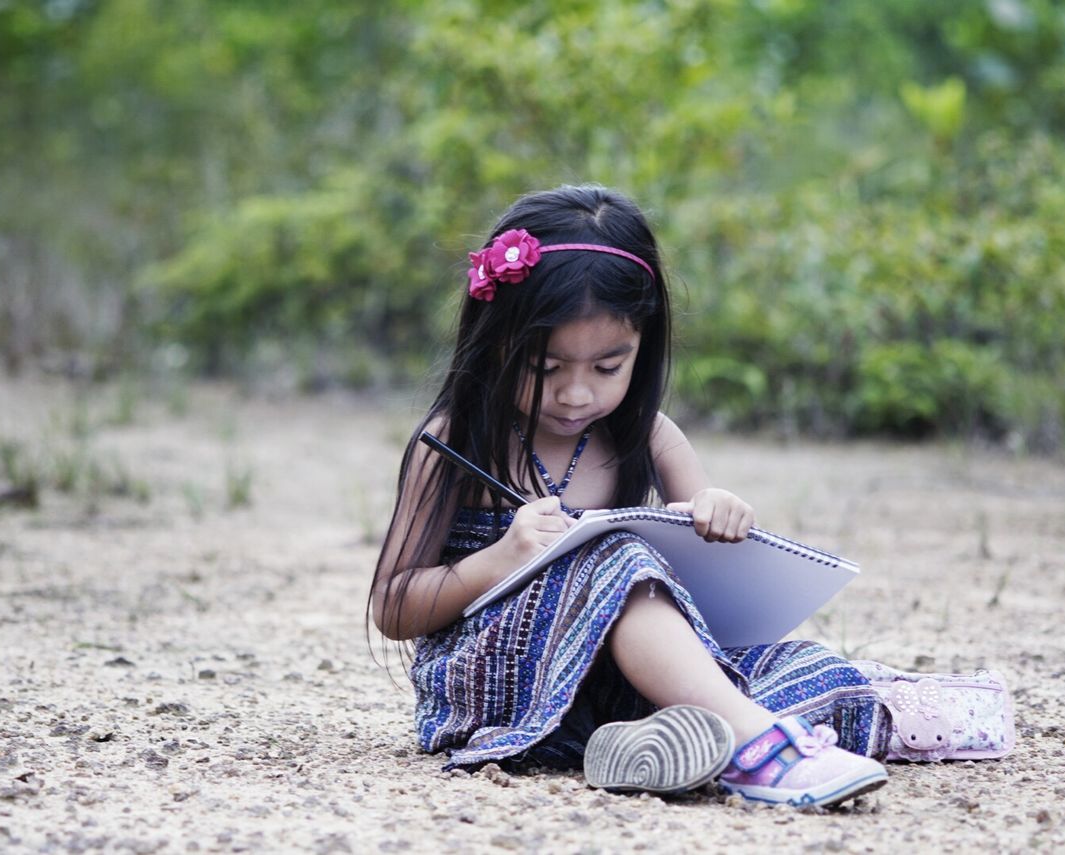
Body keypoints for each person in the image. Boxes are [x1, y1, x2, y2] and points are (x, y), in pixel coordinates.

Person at [369, 185, 890, 808]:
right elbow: (393, 605)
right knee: (616, 557)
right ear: (495, 340)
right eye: (544, 369)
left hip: (619, 684)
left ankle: (637, 744)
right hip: (501, 680)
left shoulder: (648, 436)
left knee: (822, 674)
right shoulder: (455, 440)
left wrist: (714, 519)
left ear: (642, 349)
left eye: (608, 367)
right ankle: (757, 747)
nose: (576, 395)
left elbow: (706, 598)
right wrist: (500, 558)